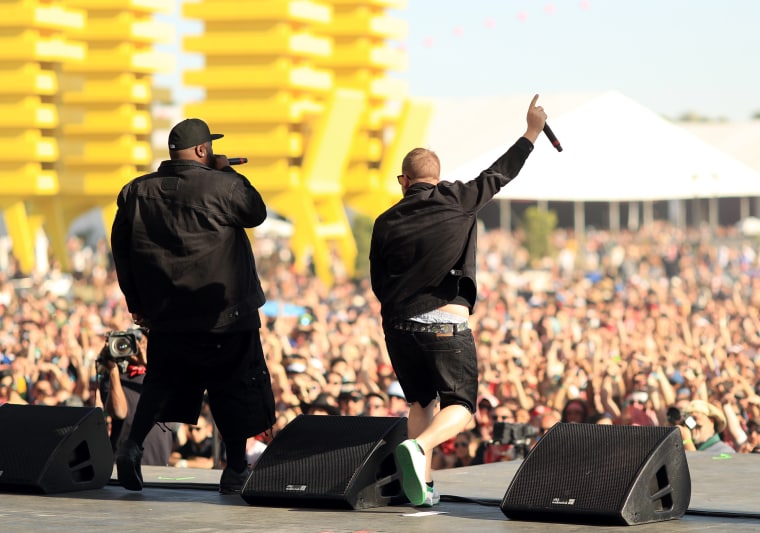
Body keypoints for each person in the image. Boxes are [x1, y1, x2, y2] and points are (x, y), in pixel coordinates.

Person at [369, 95, 547, 507]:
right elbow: (501, 173)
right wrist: (532, 131)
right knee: (461, 406)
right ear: (437, 176)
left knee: (419, 401)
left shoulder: (385, 220)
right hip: (444, 323)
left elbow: (378, 279)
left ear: (404, 181)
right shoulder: (459, 199)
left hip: (397, 325)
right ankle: (420, 448)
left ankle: (423, 487)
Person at [110, 118, 276, 494]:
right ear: (203, 150)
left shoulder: (136, 191)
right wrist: (228, 171)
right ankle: (235, 469)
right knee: (232, 387)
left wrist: (136, 302)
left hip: (168, 315)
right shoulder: (224, 186)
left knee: (158, 384)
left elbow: (121, 250)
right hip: (225, 314)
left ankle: (132, 446)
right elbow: (256, 213)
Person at [97, 328, 172, 466]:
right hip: (125, 462)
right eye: (132, 343)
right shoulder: (114, 380)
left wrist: (147, 363)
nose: (138, 348)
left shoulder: (160, 377)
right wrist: (113, 370)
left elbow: (175, 396)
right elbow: (119, 412)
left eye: (143, 343)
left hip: (158, 461)